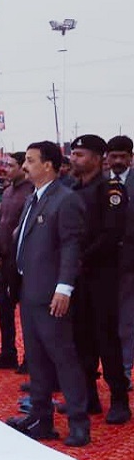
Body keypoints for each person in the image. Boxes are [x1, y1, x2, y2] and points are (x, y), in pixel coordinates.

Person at [5, 141, 91, 446]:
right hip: (30, 291)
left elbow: (71, 246)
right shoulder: (34, 198)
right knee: (37, 360)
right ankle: (41, 418)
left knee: (63, 359)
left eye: (30, 160)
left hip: (52, 294)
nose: (25, 166)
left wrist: (64, 287)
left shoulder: (65, 200)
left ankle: (79, 422)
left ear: (49, 166)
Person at [68, 135, 130, 424]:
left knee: (106, 337)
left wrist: (81, 258)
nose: (74, 159)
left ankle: (119, 398)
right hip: (75, 275)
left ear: (97, 158)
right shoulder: (71, 188)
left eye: (80, 154)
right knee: (80, 336)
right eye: (73, 154)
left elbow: (111, 234)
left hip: (102, 273)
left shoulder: (110, 189)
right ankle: (88, 396)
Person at [0, 152, 35, 370]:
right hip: (5, 259)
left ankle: (30, 357)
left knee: (27, 312)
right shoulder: (7, 192)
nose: (6, 169)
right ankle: (8, 352)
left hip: (23, 261)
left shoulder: (31, 193)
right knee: (4, 308)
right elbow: (3, 225)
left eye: (11, 165)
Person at [104, 135, 134, 379]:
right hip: (102, 262)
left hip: (130, 263)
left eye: (123, 156)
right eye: (113, 156)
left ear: (131, 158)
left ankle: (124, 372)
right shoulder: (100, 183)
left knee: (126, 320)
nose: (118, 161)